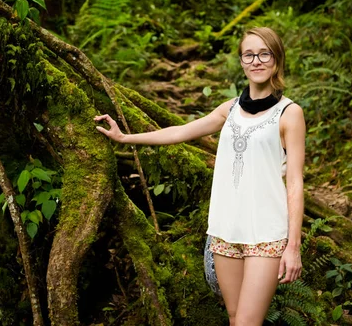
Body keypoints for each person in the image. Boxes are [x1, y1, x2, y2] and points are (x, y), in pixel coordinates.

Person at [94, 27, 305, 326]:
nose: (256, 61)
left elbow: (295, 183)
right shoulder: (230, 109)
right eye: (249, 54)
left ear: (277, 59)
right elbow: (180, 132)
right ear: (242, 62)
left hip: (266, 234)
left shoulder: (289, 114)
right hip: (225, 229)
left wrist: (293, 247)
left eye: (264, 53)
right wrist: (125, 138)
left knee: (247, 322)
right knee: (234, 317)